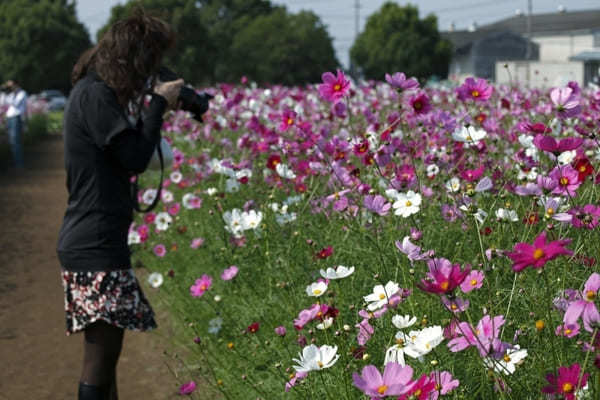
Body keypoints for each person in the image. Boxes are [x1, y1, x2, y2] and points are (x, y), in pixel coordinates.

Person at [56, 10, 183, 400]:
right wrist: (157, 106)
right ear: (133, 58)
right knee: (100, 362)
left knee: (106, 362)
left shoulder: (94, 93)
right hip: (93, 243)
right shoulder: (94, 95)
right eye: (150, 63)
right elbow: (135, 157)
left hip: (97, 239)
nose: (151, 74)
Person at [2, 79, 27, 168]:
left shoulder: (22, 93)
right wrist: (4, 93)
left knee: (16, 141)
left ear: (16, 84)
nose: (10, 87)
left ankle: (19, 164)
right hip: (10, 117)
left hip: (16, 118)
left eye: (11, 85)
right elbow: (2, 103)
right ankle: (15, 163)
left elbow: (15, 104)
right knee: (10, 141)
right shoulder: (10, 94)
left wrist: (10, 94)